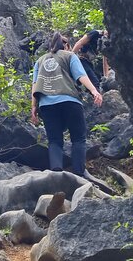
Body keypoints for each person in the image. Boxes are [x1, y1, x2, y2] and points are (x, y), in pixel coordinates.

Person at [31, 32, 103, 177]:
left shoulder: (40, 61)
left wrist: (33, 107)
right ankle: (78, 173)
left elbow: (35, 84)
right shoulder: (70, 56)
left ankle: (56, 172)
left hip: (46, 104)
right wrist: (94, 91)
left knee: (54, 140)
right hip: (70, 101)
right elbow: (81, 75)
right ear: (67, 46)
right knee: (78, 138)